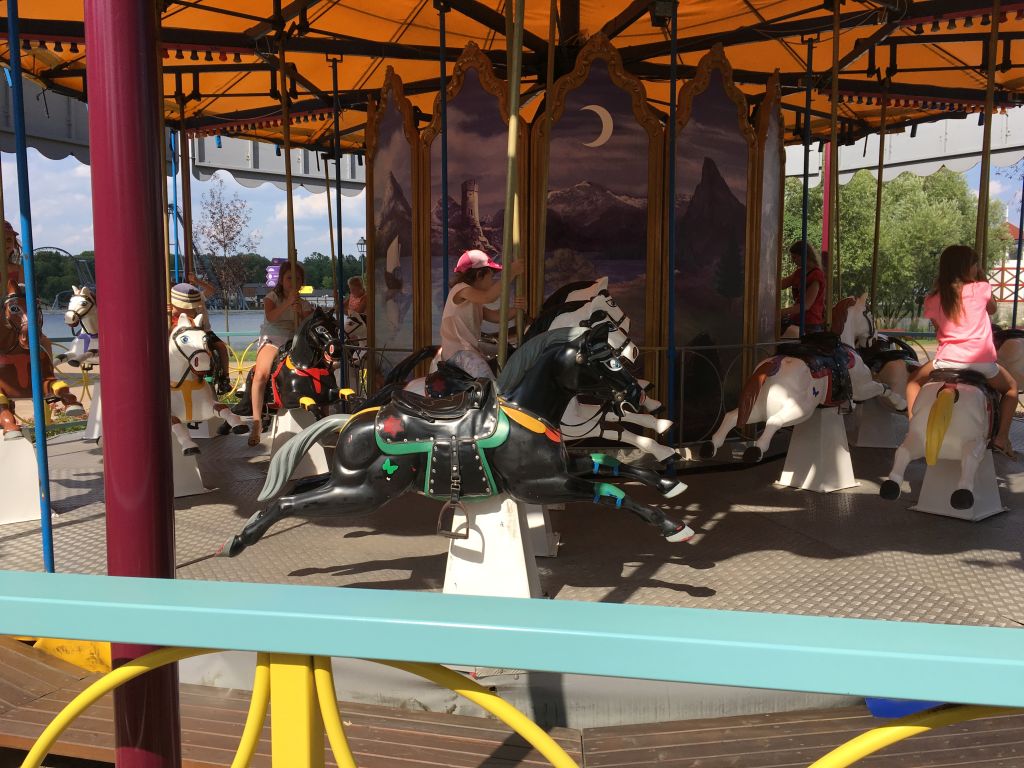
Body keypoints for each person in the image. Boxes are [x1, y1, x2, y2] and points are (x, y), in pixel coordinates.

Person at [905, 244, 1017, 458]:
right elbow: (992, 309)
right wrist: (980, 276)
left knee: (912, 382)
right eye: (975, 264)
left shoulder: (934, 297)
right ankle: (1002, 438)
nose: (977, 268)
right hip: (981, 361)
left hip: (946, 360)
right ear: (969, 267)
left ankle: (914, 429)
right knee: (1011, 388)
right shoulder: (981, 289)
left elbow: (938, 329)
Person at [249, 262, 313, 445]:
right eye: (289, 278)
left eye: (298, 279)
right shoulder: (272, 298)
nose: (294, 282)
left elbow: (308, 324)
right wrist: (287, 303)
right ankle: (256, 421)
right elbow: (271, 317)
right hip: (273, 336)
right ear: (282, 280)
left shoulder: (304, 303)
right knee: (261, 374)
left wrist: (301, 313)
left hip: (295, 338)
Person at [439, 249, 524, 380]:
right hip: (458, 352)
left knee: (507, 352)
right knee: (488, 381)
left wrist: (518, 308)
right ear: (479, 275)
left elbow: (497, 316)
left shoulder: (473, 302)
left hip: (468, 350)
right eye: (491, 277)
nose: (492, 281)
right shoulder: (461, 289)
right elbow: (488, 297)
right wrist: (510, 273)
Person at [169, 280, 232, 396]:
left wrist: (196, 281)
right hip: (181, 337)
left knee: (220, 347)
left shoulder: (197, 299)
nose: (191, 311)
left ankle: (224, 377)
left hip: (202, 332)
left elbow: (211, 290)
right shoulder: (171, 314)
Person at [779, 240, 826, 334]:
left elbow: (806, 305)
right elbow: (781, 285)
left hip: (809, 323)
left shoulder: (816, 275)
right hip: (796, 319)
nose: (793, 261)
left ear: (804, 256)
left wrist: (780, 312)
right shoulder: (799, 273)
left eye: (795, 257)